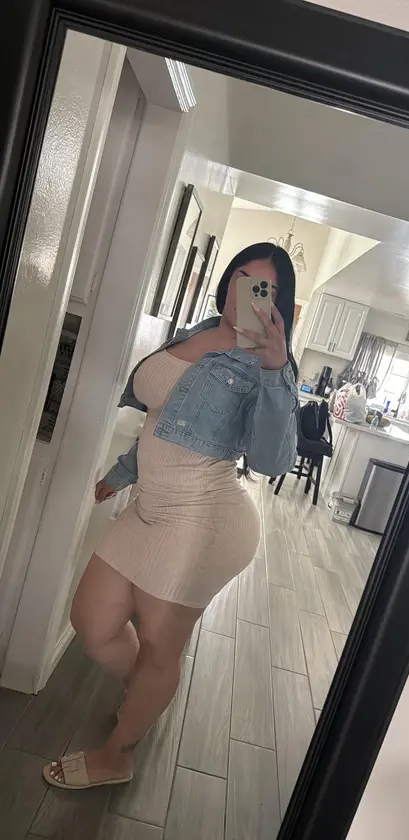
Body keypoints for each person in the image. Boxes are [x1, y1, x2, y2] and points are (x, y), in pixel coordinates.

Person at [44, 242, 298, 790]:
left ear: (279, 304)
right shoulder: (199, 329)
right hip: (150, 506)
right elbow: (165, 420)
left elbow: (273, 461)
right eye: (242, 276)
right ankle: (146, 697)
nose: (248, 293)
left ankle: (117, 755)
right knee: (92, 621)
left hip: (205, 519)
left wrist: (276, 372)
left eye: (266, 288)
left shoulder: (266, 363)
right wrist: (122, 472)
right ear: (227, 281)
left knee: (162, 647)